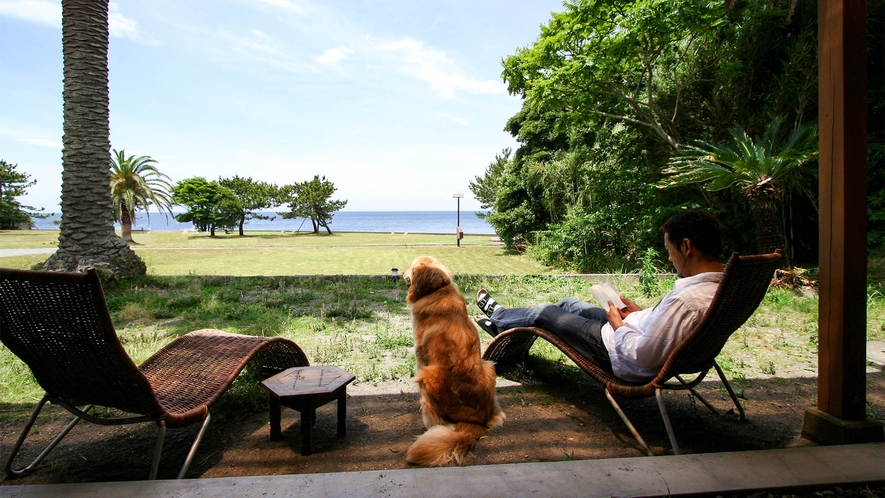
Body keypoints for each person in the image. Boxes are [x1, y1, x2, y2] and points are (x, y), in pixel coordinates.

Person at [475, 209, 725, 383]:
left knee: (546, 313)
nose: (670, 258)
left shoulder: (688, 300)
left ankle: (498, 315)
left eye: (670, 251)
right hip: (634, 331)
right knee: (568, 304)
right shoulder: (720, 289)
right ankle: (503, 323)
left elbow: (643, 355)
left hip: (617, 352)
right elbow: (667, 328)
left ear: (686, 246)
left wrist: (618, 325)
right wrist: (639, 314)